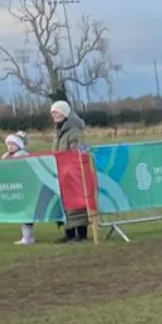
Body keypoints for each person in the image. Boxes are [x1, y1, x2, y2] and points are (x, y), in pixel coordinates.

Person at [50, 100, 90, 243]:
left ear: (64, 112)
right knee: (64, 204)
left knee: (77, 204)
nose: (54, 114)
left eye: (57, 111)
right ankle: (69, 234)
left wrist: (69, 166)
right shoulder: (58, 132)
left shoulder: (75, 132)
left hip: (73, 172)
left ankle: (81, 234)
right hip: (60, 172)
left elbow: (77, 151)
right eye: (52, 112)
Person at [2, 131, 34, 245]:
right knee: (22, 212)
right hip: (15, 187)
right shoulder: (6, 156)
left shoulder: (22, 156)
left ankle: (28, 237)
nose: (10, 147)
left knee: (26, 213)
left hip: (24, 188)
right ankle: (26, 237)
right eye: (9, 144)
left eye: (13, 144)